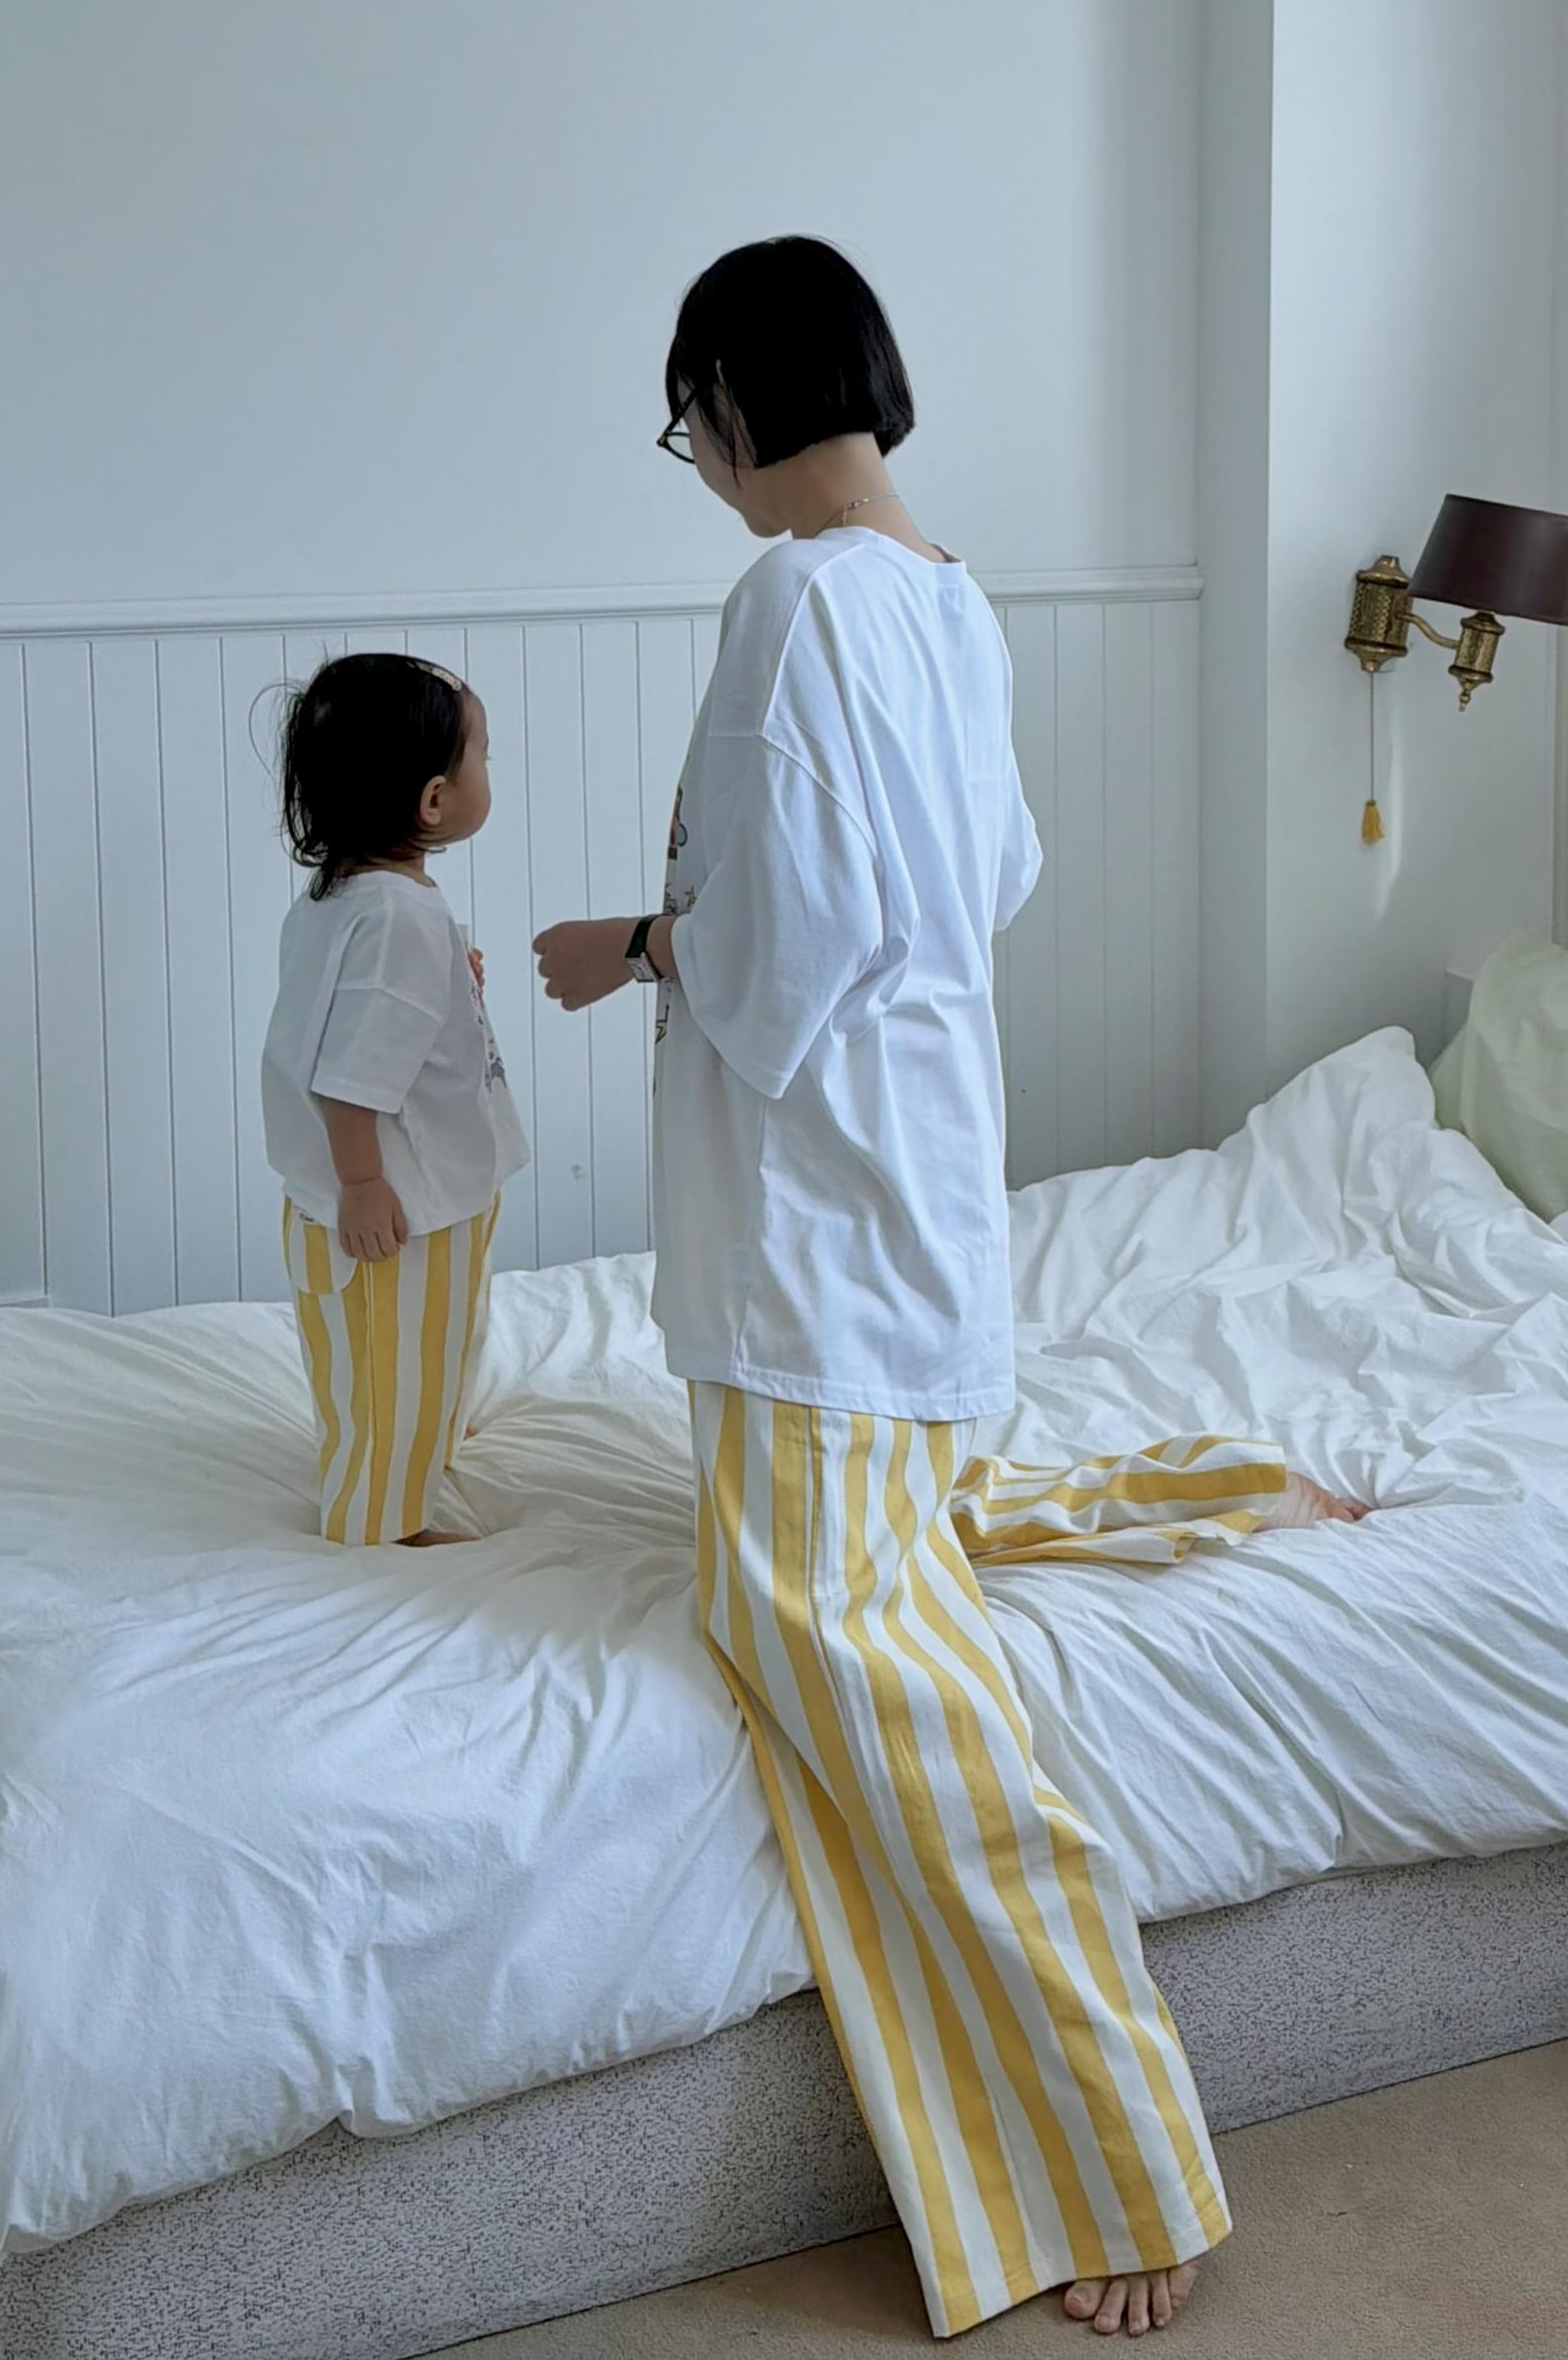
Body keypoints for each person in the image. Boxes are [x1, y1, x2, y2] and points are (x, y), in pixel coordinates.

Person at [533, 237, 1361, 2340]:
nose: (694, 465)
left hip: (818, 1242)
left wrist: (645, 943)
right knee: (860, 1562)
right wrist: (692, 929)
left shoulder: (793, 599)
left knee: (838, 1644)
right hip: (908, 1210)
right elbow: (980, 878)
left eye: (684, 424)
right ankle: (1208, 1487)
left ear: (733, 399)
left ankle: (1117, 2140)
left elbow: (780, 951)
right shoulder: (946, 594)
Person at [264, 653, 527, 1547]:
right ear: (433, 800)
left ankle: (430, 1439)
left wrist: (448, 976)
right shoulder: (398, 918)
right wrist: (364, 1184)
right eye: (481, 754)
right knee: (390, 1365)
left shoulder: (346, 897)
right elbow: (350, 1074)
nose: (489, 767)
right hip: (400, 1203)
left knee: (431, 1342)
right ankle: (381, 1521)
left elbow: (351, 1013)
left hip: (427, 1187)